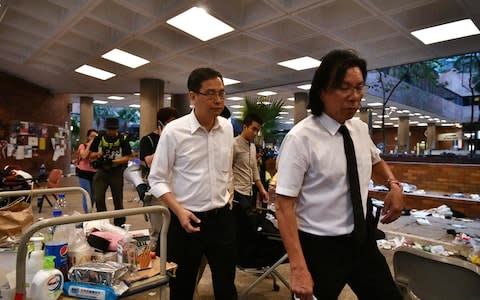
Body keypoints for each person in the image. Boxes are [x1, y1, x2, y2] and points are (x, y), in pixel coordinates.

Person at [275, 49, 404, 300]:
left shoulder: (358, 128)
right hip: (320, 249)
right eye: (345, 88)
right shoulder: (300, 138)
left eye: (359, 88)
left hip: (362, 242)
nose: (355, 97)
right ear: (323, 91)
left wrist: (394, 185)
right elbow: (283, 206)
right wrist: (298, 267)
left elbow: (375, 160)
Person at [148, 67, 237, 299]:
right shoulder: (174, 132)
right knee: (182, 288)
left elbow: (226, 170)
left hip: (221, 220)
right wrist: (178, 210)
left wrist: (228, 196)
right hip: (186, 221)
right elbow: (156, 179)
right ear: (193, 96)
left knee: (226, 286)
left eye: (222, 93)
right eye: (210, 93)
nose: (218, 100)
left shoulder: (227, 128)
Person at [90, 117, 132, 227]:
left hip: (116, 171)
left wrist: (114, 161)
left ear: (117, 129)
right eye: (109, 129)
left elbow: (128, 157)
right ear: (106, 129)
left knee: (118, 199)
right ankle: (102, 222)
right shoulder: (99, 137)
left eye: (113, 129)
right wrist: (99, 155)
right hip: (101, 171)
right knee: (98, 198)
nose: (111, 132)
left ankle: (119, 224)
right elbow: (91, 154)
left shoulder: (123, 139)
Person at [136, 107, 178, 201]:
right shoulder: (147, 140)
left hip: (176, 185)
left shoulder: (178, 137)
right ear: (161, 123)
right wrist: (164, 140)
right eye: (170, 122)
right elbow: (149, 162)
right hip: (157, 186)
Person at [232, 113, 268, 209]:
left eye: (258, 130)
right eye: (253, 129)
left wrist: (262, 190)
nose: (256, 133)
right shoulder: (234, 144)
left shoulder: (252, 146)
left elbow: (254, 169)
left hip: (249, 193)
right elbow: (227, 170)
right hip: (236, 193)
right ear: (245, 127)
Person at [75, 129, 98, 213]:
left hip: (94, 173)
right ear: (88, 137)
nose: (94, 138)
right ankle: (87, 216)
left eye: (95, 137)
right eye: (92, 136)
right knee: (87, 194)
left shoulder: (97, 147)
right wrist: (90, 144)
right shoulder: (82, 145)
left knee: (93, 196)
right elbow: (84, 156)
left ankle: (89, 214)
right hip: (84, 173)